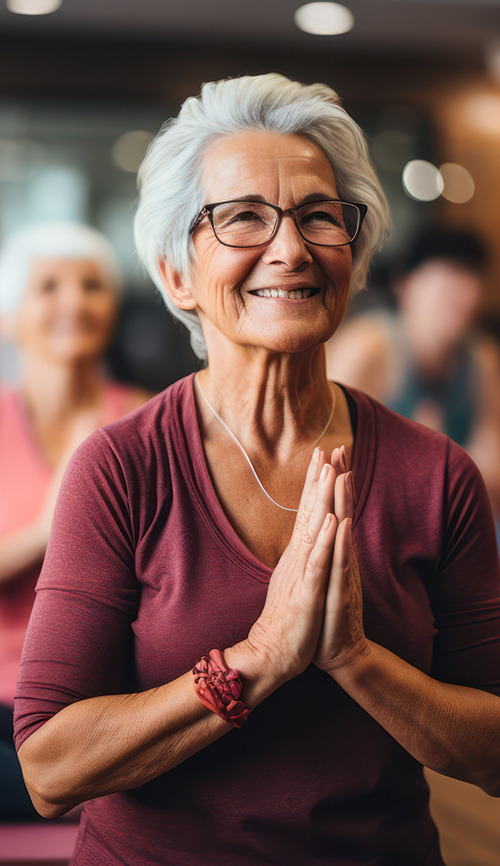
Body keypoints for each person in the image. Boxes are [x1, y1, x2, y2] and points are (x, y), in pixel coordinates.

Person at [12, 75, 500, 866]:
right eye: (243, 217)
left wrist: (357, 661)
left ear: (354, 255)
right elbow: (49, 767)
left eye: (319, 216)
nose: (292, 248)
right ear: (177, 274)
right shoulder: (123, 465)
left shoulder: (435, 474)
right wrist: (260, 658)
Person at [0, 221, 151, 818]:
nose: (74, 302)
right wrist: (47, 526)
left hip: (105, 701)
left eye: (91, 285)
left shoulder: (147, 419)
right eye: (49, 287)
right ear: (10, 315)